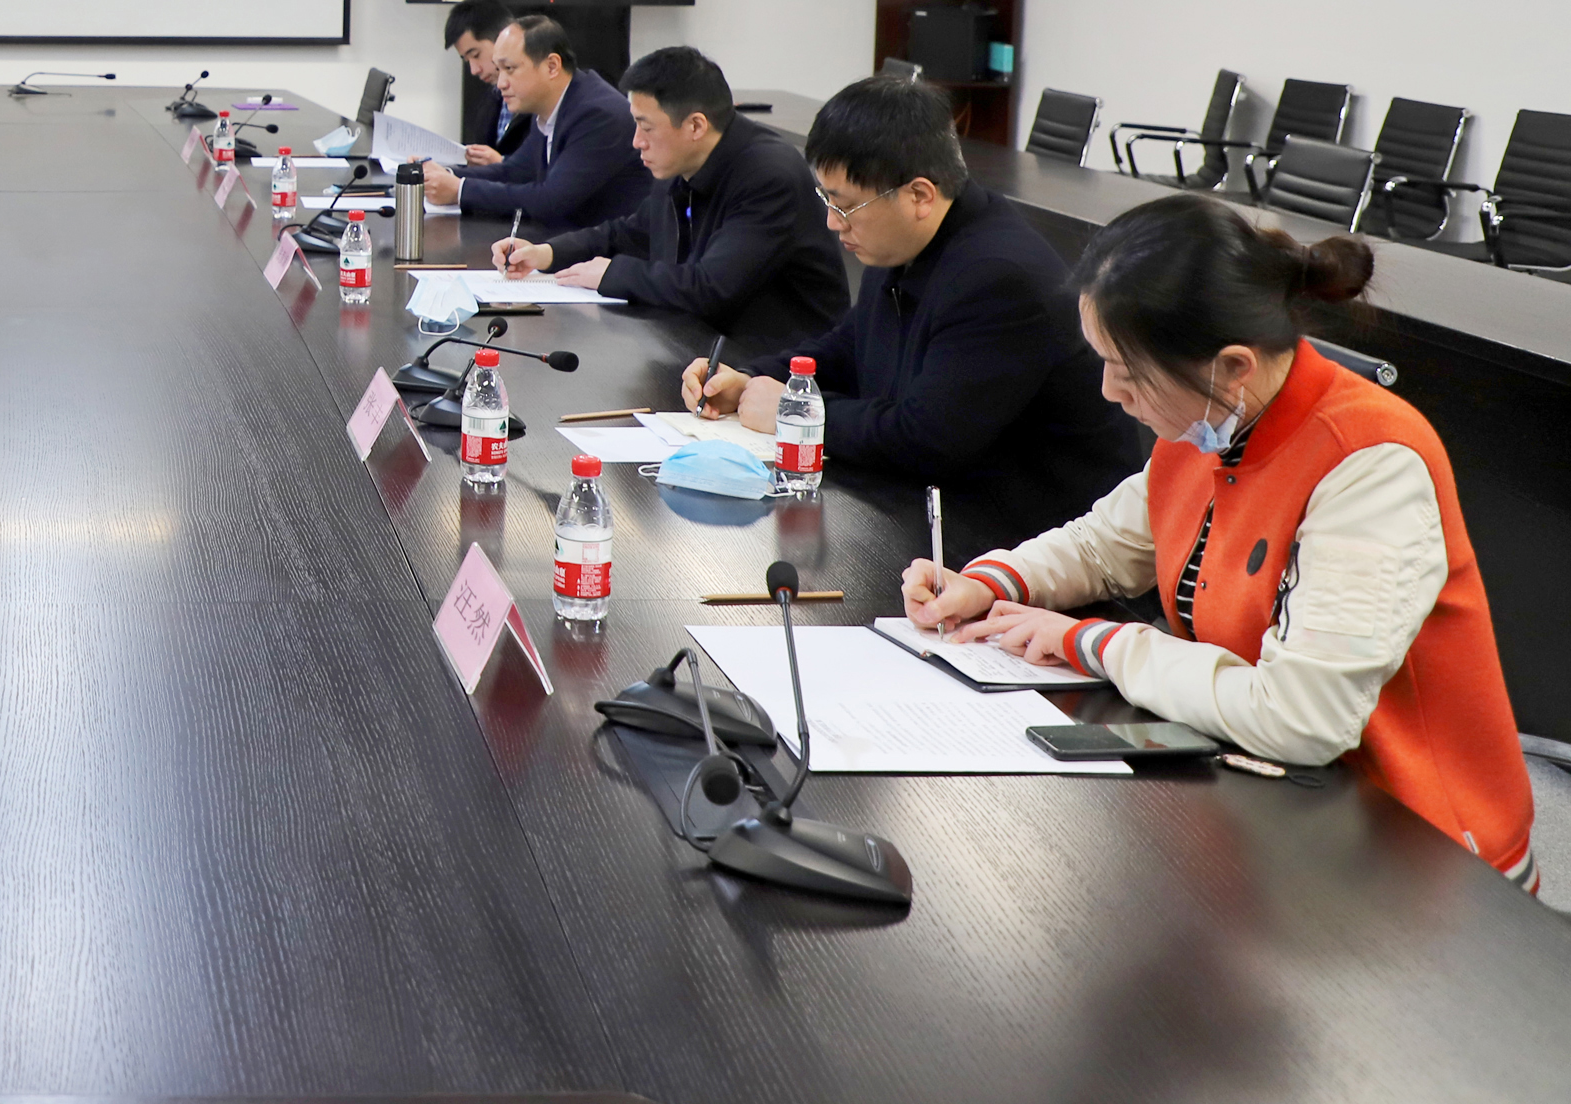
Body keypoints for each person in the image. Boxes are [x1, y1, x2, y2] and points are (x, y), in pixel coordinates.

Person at [902, 196, 1538, 888]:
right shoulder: (1212, 419)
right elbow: (1102, 547)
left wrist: (1095, 642)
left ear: (1233, 365)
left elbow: (1301, 718)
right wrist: (989, 582)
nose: (1109, 392)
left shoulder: (1370, 463)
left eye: (1128, 371)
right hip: (1266, 797)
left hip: (1414, 852)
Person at [683, 74, 1137, 529]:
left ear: (919, 195)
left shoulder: (999, 277)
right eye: (828, 200)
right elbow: (849, 347)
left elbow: (927, 439)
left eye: (845, 205)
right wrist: (750, 377)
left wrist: (794, 413)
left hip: (1031, 532)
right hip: (942, 506)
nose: (833, 222)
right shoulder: (906, 241)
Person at [489, 45, 845, 344]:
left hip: (779, 365)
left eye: (646, 127)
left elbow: (712, 288)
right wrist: (548, 253)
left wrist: (613, 274)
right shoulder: (679, 158)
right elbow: (634, 232)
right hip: (701, 343)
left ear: (695, 125)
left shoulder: (768, 176)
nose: (636, 142)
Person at [423, 13, 648, 232]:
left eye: (509, 69)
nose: (501, 83)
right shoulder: (549, 107)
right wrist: (445, 175)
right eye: (499, 70)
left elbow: (550, 200)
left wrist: (460, 191)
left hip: (610, 250)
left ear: (552, 66)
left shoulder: (598, 115)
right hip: (569, 241)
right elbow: (515, 171)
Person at [444, 0, 528, 160]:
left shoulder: (542, 101)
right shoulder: (490, 102)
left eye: (476, 55)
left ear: (503, 38)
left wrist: (500, 164)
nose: (474, 70)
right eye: (467, 60)